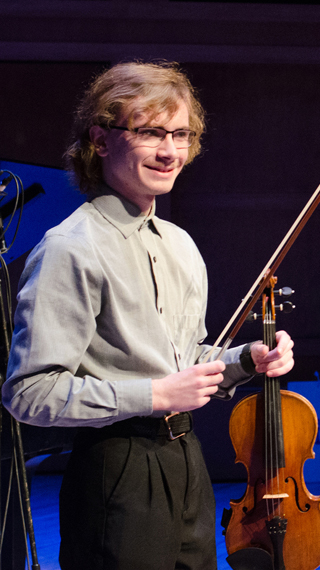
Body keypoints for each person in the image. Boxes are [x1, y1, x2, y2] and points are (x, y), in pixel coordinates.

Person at [1, 61, 295, 570]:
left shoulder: (181, 245)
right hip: (116, 469)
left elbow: (186, 358)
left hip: (187, 463)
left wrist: (246, 360)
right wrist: (156, 395)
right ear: (101, 139)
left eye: (181, 134)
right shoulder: (71, 248)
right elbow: (29, 393)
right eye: (150, 132)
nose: (170, 151)